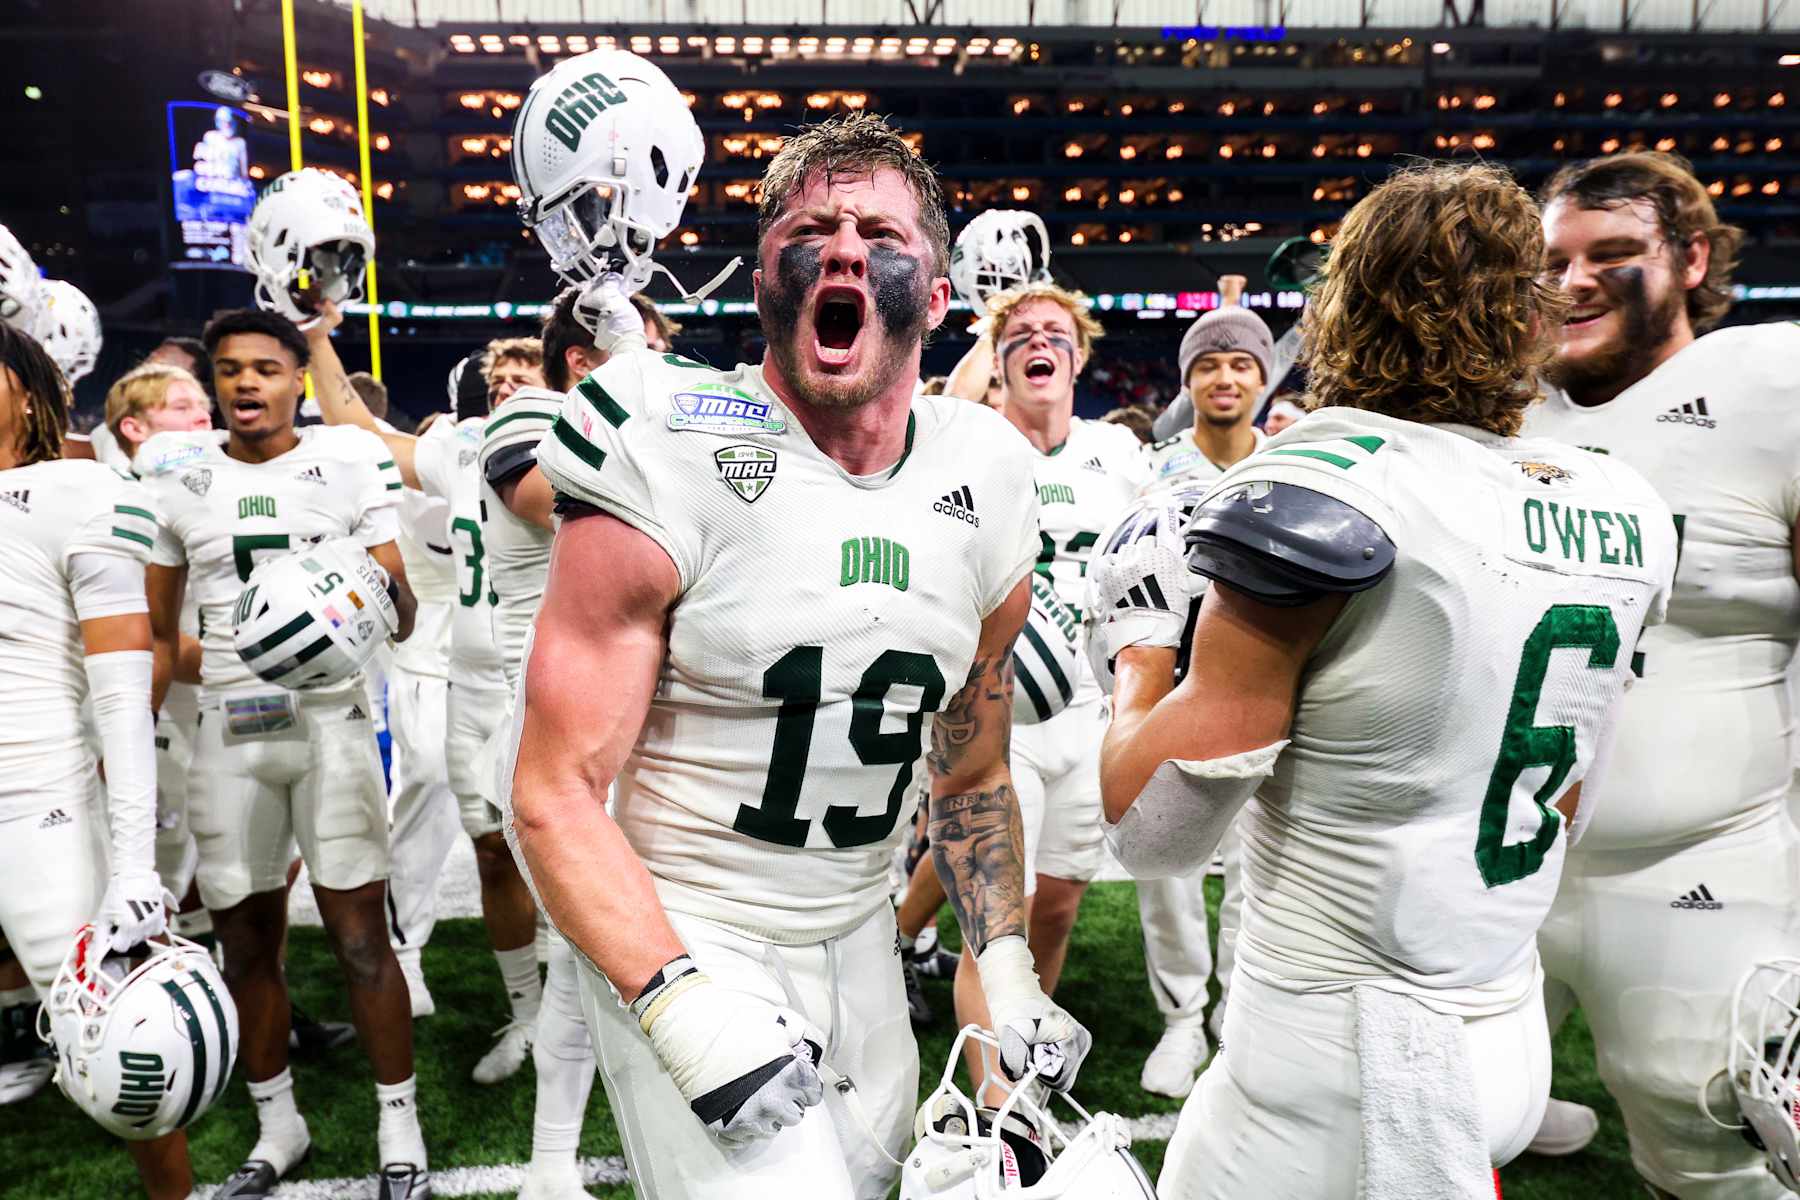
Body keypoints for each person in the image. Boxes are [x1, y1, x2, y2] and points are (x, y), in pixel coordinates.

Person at [510, 111, 1088, 1199]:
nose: (843, 247)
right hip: (691, 920)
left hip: (859, 923)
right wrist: (674, 1000)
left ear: (941, 292)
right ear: (767, 276)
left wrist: (1002, 966)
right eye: (810, 226)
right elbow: (553, 787)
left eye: (881, 229)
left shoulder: (991, 474)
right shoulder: (665, 439)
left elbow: (970, 772)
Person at [1094, 162, 1675, 1198]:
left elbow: (1153, 827)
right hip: (1504, 1025)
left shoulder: (1332, 475)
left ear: (1347, 304)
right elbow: (1571, 801)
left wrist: (1141, 649)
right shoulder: (1620, 502)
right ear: (1527, 314)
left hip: (1337, 1066)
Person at [1521, 150, 1800, 1196]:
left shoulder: (1770, 388)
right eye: (1556, 258)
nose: (1576, 279)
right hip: (1506, 864)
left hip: (1703, 861)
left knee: (1710, 1136)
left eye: (1614, 252)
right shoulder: (1507, 411)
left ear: (1689, 258)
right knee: (1427, 1117)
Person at [313, 303, 605, 1200]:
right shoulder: (466, 445)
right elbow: (357, 426)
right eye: (499, 383)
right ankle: (525, 1016)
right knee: (491, 850)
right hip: (470, 683)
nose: (509, 394)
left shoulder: (588, 442)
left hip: (556, 677)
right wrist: (316, 334)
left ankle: (588, 1024)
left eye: (525, 380)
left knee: (577, 862)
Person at [135, 307, 428, 1200]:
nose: (247, 384)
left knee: (359, 939)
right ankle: (278, 1124)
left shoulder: (345, 458)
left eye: (266, 368)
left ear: (300, 376)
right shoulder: (173, 473)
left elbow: (405, 610)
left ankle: (399, 1128)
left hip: (330, 719)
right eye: (229, 370)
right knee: (243, 940)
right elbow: (155, 629)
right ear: (215, 382)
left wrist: (349, 602)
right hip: (228, 724)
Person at [0, 323, 196, 1198]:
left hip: (33, 805)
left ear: (29, 393)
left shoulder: (74, 490)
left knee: (126, 1055)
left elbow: (123, 694)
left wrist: (133, 868)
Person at [945, 279, 1138, 1095]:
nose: (1039, 343)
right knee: (996, 927)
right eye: (1019, 333)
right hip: (998, 713)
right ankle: (995, 1111)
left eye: (1056, 331)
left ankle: (1023, 1073)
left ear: (1080, 353)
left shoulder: (1119, 454)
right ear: (997, 358)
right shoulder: (970, 443)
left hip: (1089, 713)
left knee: (1056, 908)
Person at [1125, 302, 1273, 1099]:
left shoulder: (1295, 462)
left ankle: (1240, 1019)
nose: (1225, 377)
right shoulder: (1148, 469)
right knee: (1170, 868)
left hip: (1269, 692)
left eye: (1240, 363)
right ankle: (1183, 1019)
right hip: (1174, 693)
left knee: (1261, 868)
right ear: (1188, 381)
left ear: (1261, 377)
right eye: (1209, 364)